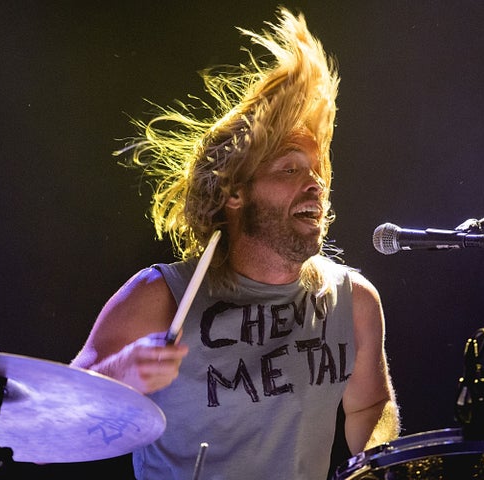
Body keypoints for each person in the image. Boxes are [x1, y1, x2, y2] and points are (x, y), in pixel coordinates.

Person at [71, 7, 400, 479]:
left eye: (317, 171)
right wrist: (119, 375)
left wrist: (371, 463)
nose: (315, 185)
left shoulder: (354, 300)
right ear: (234, 193)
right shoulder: (161, 297)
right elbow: (50, 425)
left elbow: (370, 404)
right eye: (290, 169)